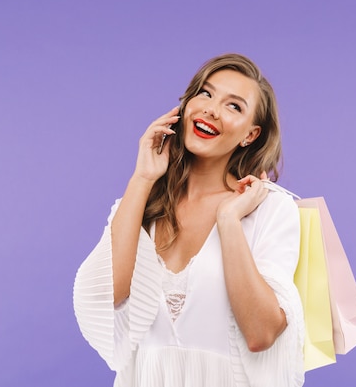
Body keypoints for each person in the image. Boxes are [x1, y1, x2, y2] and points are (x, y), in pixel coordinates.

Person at [73, 53, 304, 387]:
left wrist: (228, 220)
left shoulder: (269, 210)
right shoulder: (141, 203)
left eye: (234, 106)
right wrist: (142, 178)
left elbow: (262, 334)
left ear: (250, 135)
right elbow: (110, 295)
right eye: (206, 93)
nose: (211, 109)